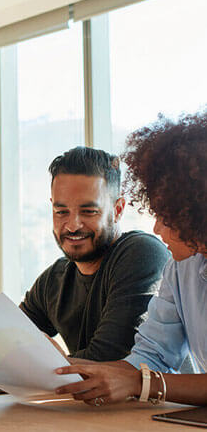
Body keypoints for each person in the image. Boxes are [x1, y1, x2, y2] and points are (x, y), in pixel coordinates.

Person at [0, 146, 168, 382]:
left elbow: (106, 363)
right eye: (61, 211)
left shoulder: (142, 254)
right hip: (95, 413)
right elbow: (3, 343)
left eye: (88, 211)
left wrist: (6, 362)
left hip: (159, 411)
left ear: (118, 209)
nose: (72, 225)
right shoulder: (55, 279)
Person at [55, 111, 207, 406]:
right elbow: (152, 355)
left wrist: (141, 383)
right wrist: (60, 371)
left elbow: (142, 378)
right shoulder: (179, 268)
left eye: (169, 217)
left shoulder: (143, 252)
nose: (157, 228)